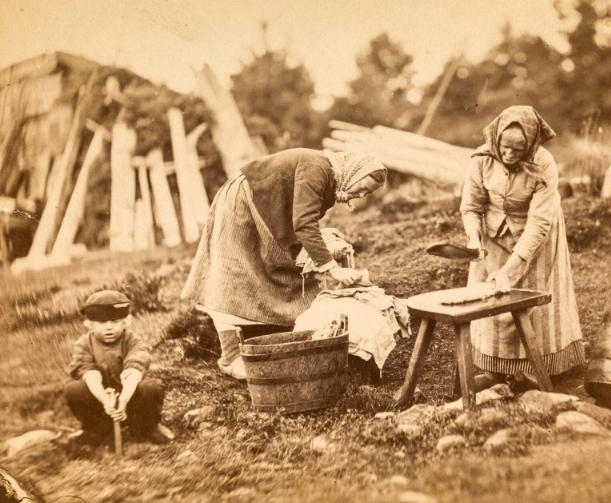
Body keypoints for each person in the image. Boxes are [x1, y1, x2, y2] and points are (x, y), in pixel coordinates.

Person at [182, 148, 387, 380]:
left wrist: (324, 242)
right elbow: (304, 224)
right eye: (362, 188)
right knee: (234, 272)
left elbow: (301, 218)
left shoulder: (333, 179)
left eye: (366, 194)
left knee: (278, 268)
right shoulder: (318, 168)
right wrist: (333, 269)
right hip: (244, 200)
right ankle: (230, 356)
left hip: (267, 208)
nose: (360, 195)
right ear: (354, 172)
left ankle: (277, 334)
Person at [460, 106, 585, 390]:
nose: (509, 154)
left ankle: (535, 370)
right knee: (491, 301)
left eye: (518, 150)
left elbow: (539, 222)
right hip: (493, 235)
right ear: (496, 139)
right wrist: (473, 239)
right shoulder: (480, 159)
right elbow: (470, 206)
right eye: (504, 147)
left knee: (529, 302)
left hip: (534, 237)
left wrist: (511, 268)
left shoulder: (544, 164)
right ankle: (497, 370)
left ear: (530, 145)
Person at [65, 290, 170, 450]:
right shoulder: (83, 344)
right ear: (90, 325)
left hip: (130, 400)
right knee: (73, 390)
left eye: (114, 321)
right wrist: (104, 400)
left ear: (125, 322)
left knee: (152, 388)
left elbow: (134, 370)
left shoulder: (133, 340)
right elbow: (89, 374)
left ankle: (146, 428)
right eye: (101, 322)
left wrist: (124, 400)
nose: (108, 327)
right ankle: (96, 430)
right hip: (100, 401)